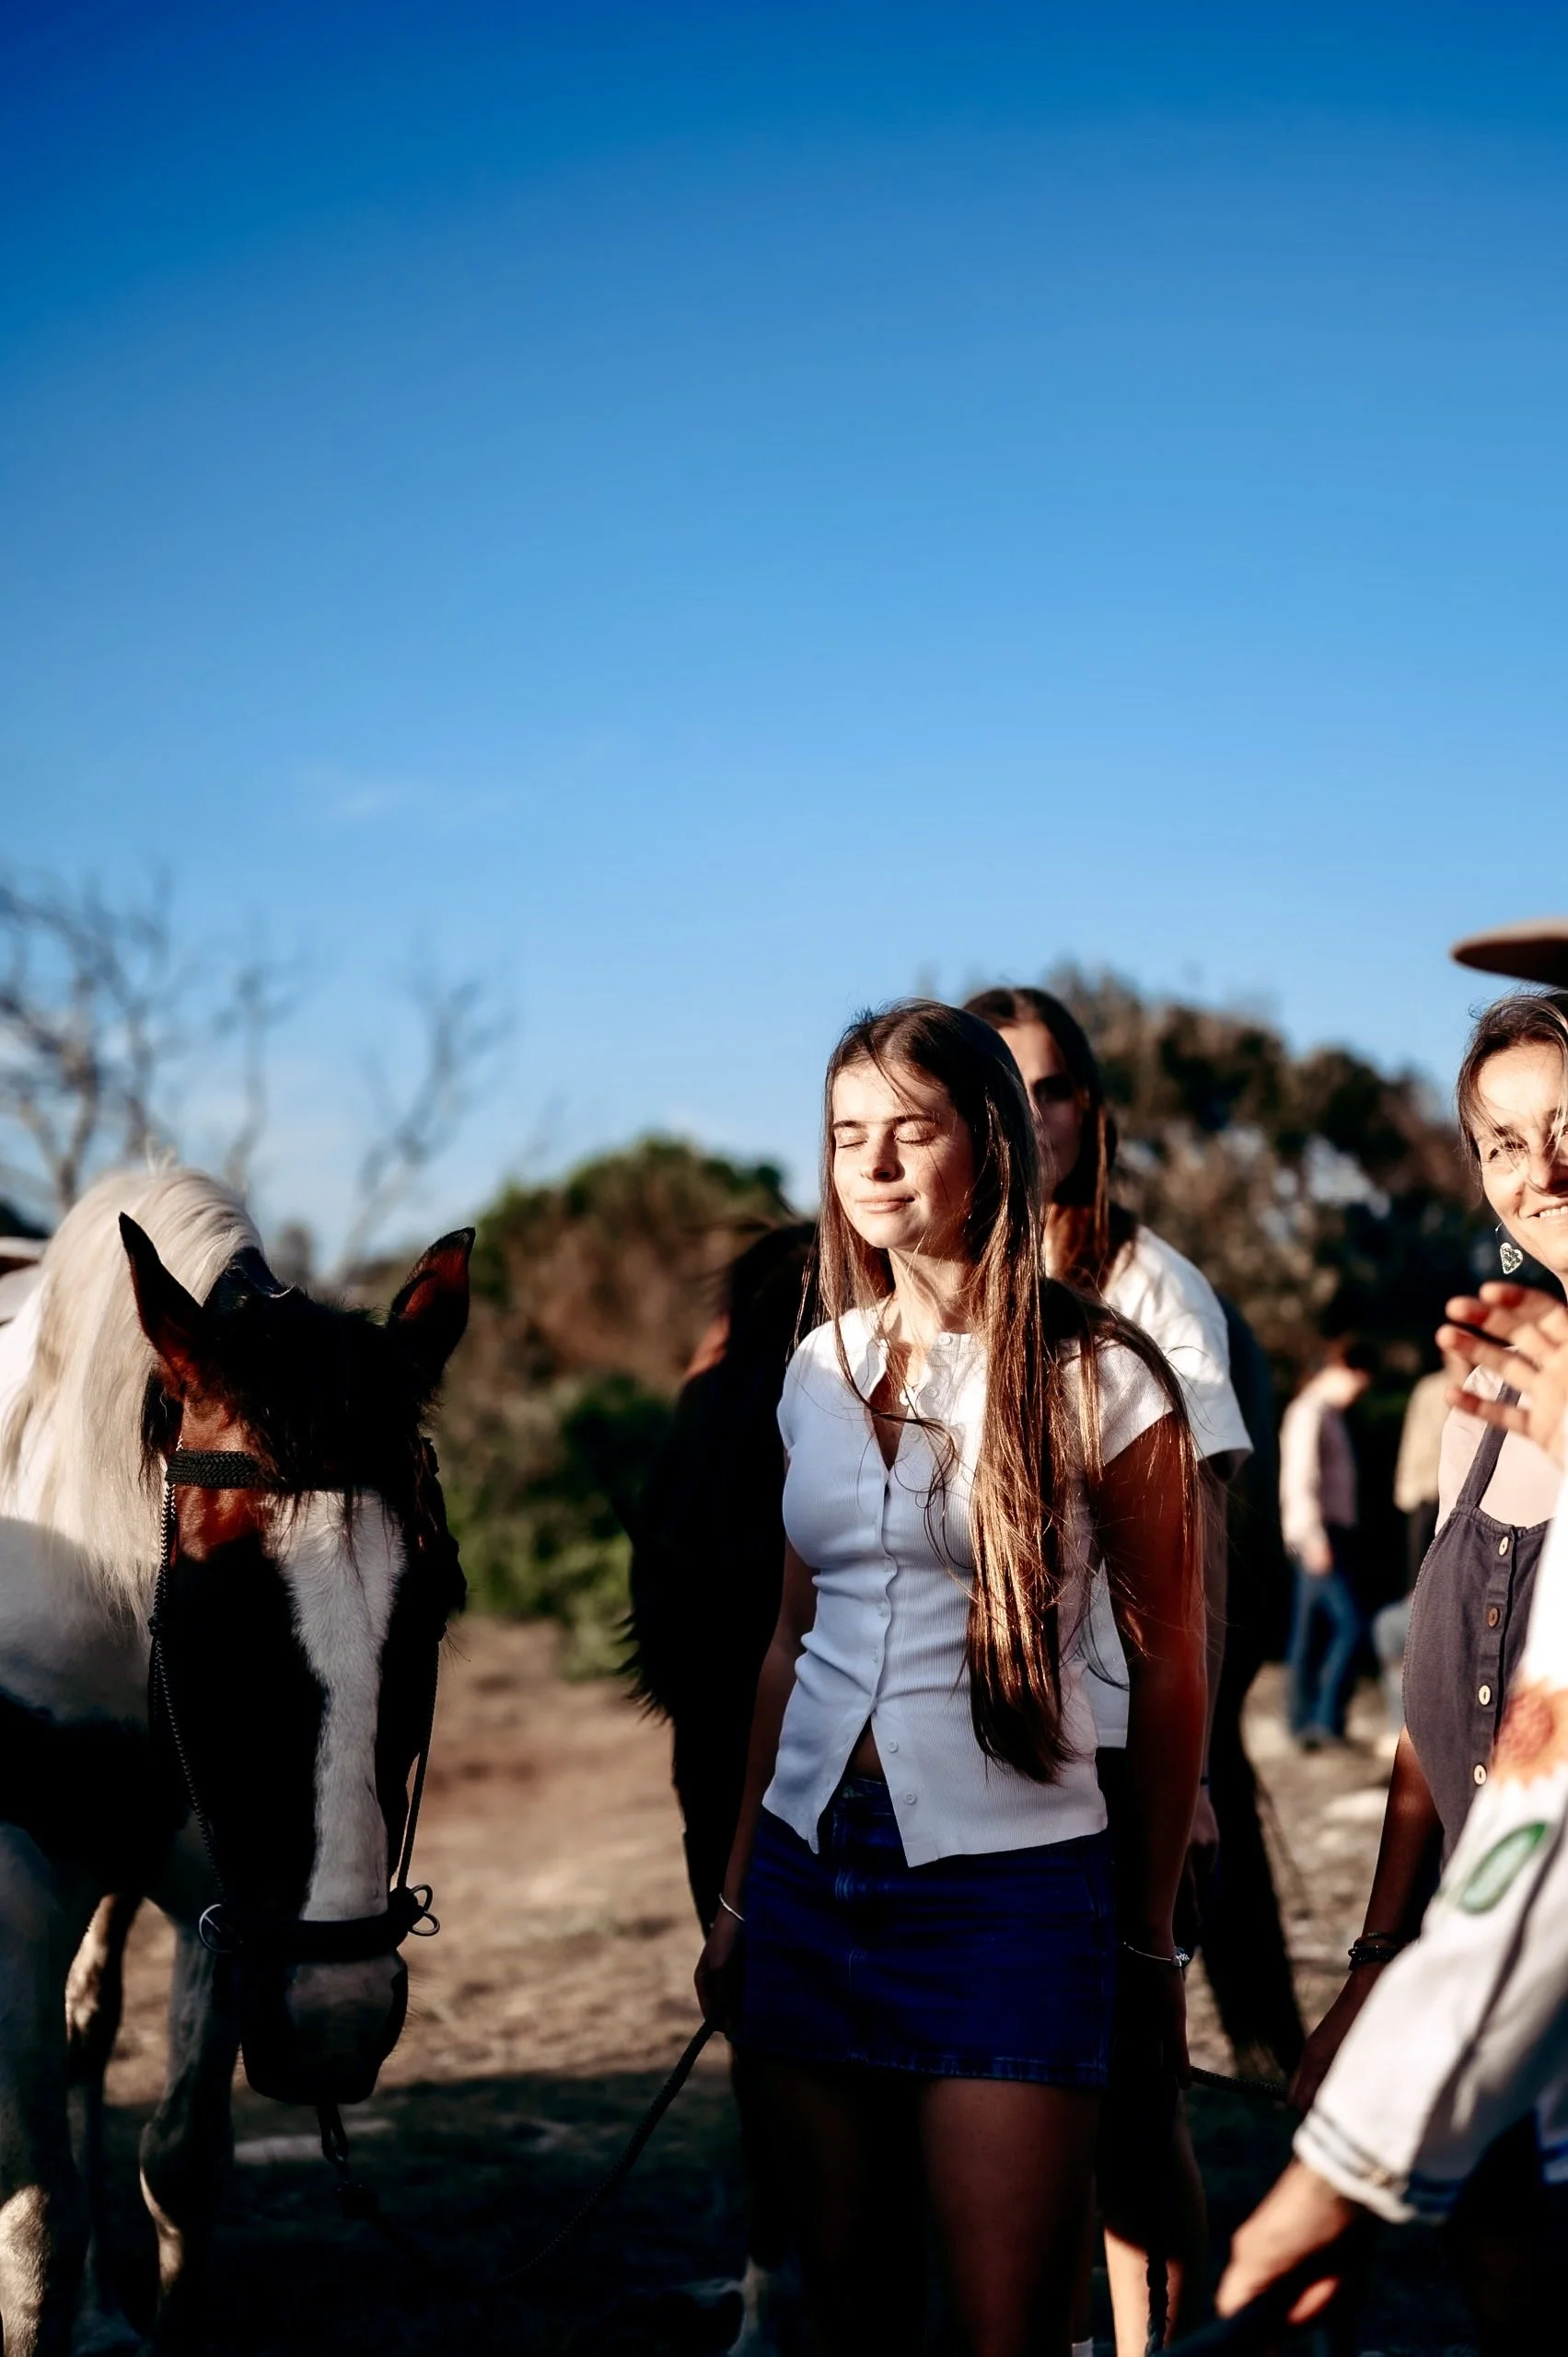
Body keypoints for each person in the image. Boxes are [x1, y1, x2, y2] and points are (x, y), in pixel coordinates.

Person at [696, 1002, 1207, 2357]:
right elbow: (784, 1647)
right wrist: (740, 1893)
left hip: (1007, 1896)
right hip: (810, 1876)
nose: (869, 1165)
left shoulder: (1101, 1375)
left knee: (1003, 2334)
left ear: (988, 1144)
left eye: (905, 1131)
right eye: (846, 1136)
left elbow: (1168, 1679)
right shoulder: (815, 1369)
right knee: (851, 2319)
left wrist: (1145, 1939)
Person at [1215, 916, 1568, 2345]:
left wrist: (1334, 2173)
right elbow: (1447, 1713)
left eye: (1566, 1124)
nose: (1536, 1168)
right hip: (1482, 1966)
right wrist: (1377, 1955)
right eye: (1499, 1140)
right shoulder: (1497, 1392)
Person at [964, 982, 1272, 2348]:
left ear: (1090, 1113)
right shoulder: (943, 1294)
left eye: (1051, 1091)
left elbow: (1194, 1553)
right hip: (980, 1767)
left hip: (1118, 1756)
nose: (1028, 1120)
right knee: (1023, 2099)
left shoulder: (1153, 1291)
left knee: (1133, 2104)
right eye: (1001, 1093)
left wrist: (1186, 1772)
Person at [1280, 1345, 1374, 1747]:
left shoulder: (1328, 1415)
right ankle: (1323, 1719)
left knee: (1308, 1633)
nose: (1357, 1394)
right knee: (1350, 1626)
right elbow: (1301, 1479)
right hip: (1318, 1533)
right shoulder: (1310, 1413)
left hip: (1326, 1532)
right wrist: (1314, 1538)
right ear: (1341, 1370)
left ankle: (1304, 1723)